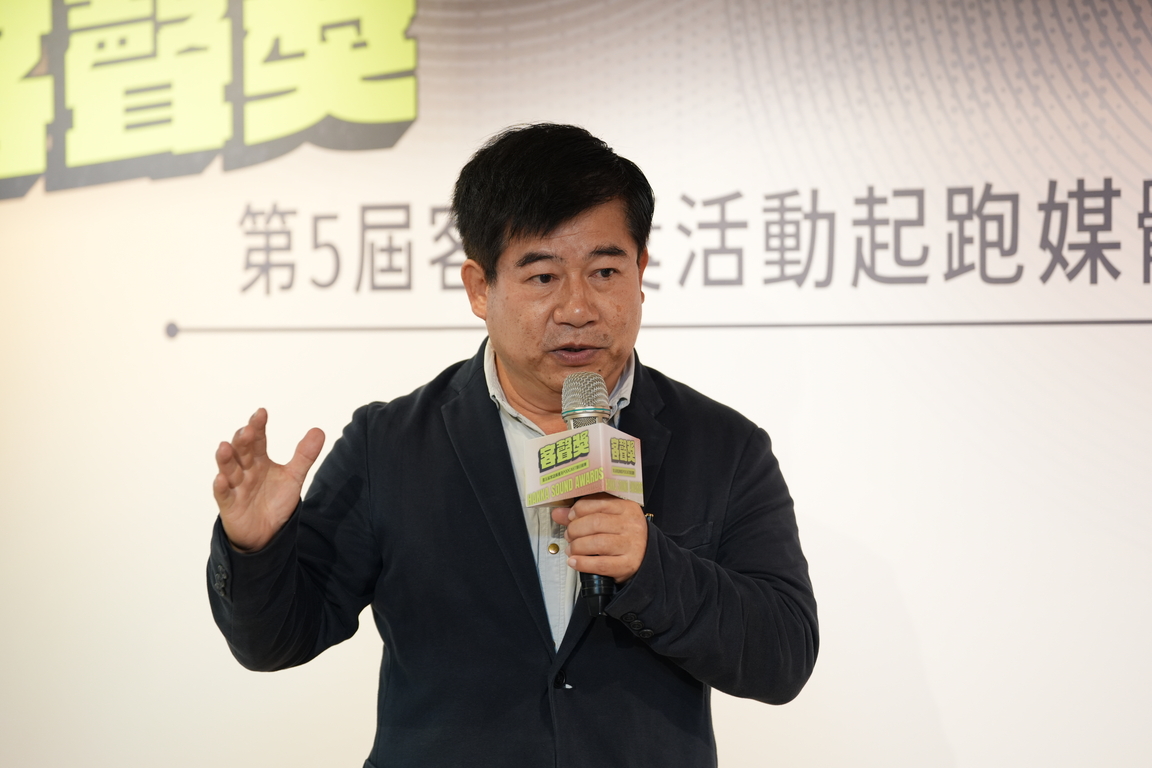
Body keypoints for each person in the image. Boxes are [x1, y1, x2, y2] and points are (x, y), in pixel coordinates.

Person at [207, 123, 818, 767]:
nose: (578, 308)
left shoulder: (724, 446)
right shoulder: (387, 446)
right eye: (543, 276)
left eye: (605, 271)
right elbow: (276, 640)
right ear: (480, 287)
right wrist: (256, 548)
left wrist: (652, 566)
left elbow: (783, 657)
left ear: (640, 272)